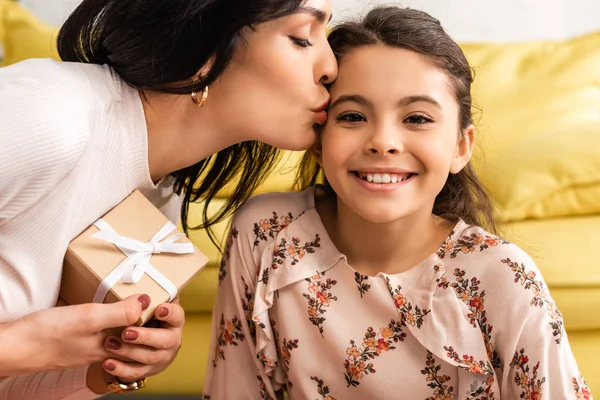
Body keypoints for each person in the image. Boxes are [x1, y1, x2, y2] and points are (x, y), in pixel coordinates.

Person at [203, 6, 592, 399]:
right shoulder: (266, 233)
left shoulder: (502, 279)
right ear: (319, 143)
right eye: (353, 116)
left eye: (417, 118)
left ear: (461, 146)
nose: (383, 141)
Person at [0, 0, 336, 397]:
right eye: (301, 39)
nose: (330, 66)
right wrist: (17, 346)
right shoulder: (51, 117)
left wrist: (106, 370)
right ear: (203, 45)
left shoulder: (153, 188)